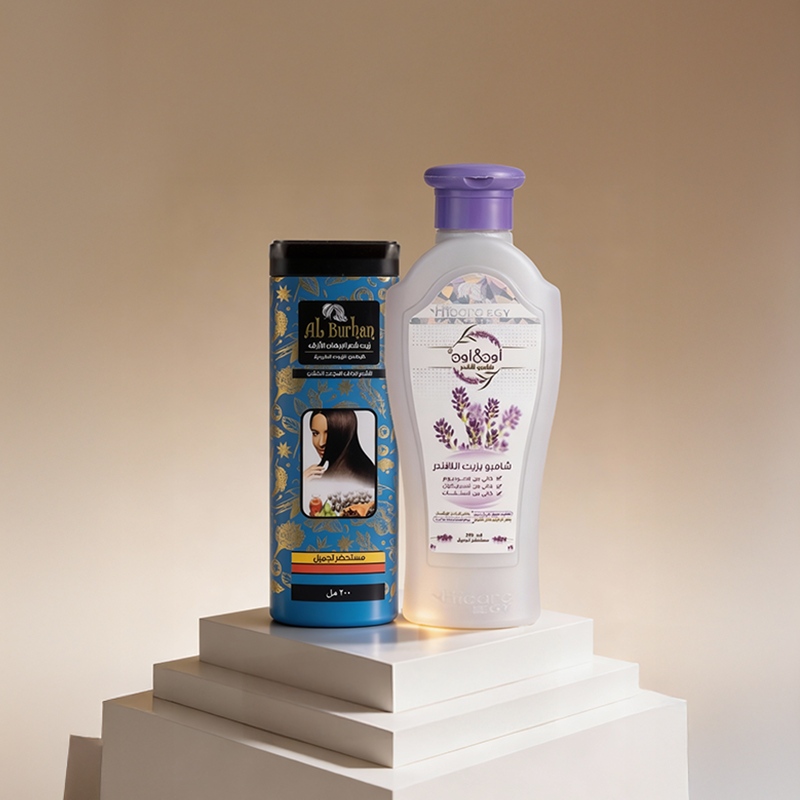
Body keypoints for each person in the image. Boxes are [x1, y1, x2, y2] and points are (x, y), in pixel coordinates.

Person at [303, 409, 375, 485]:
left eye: (329, 433)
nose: (321, 443)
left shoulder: (345, 478)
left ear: (344, 432)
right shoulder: (366, 470)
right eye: (315, 433)